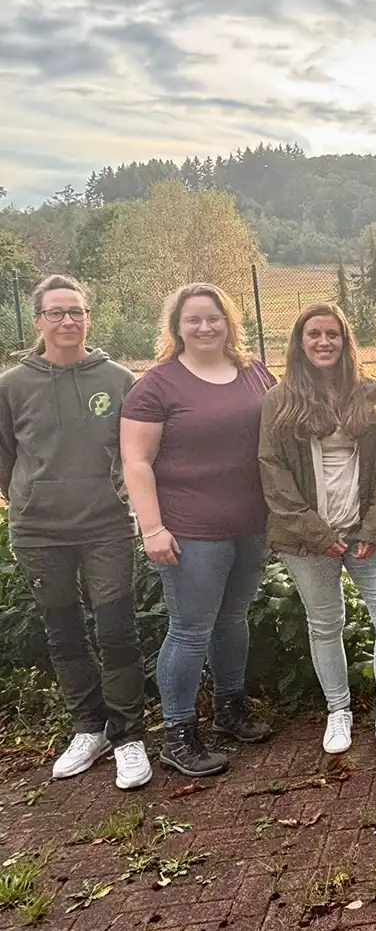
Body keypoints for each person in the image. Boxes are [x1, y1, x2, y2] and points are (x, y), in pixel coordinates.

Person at [0, 276, 150, 789]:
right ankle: (89, 729)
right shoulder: (11, 386)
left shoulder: (119, 380)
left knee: (116, 630)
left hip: (107, 525)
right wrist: (29, 496)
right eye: (57, 312)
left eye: (77, 312)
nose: (68, 321)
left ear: (88, 317)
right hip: (39, 532)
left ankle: (128, 736)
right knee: (63, 632)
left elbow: (136, 452)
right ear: (38, 320)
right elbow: (6, 457)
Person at [122, 284, 276, 778]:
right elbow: (136, 461)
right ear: (177, 327)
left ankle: (229, 708)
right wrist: (152, 528)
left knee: (232, 619)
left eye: (214, 317)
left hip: (251, 525)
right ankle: (178, 734)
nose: (206, 327)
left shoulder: (254, 372)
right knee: (190, 631)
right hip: (191, 531)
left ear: (229, 321)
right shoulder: (156, 385)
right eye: (194, 319)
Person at [258, 304, 376, 757]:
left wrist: (373, 527)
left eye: (332, 333)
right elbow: (273, 473)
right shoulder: (280, 400)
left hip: (364, 533)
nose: (323, 342)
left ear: (345, 340)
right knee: (326, 622)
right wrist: (317, 533)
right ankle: (339, 711)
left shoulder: (368, 393)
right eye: (314, 334)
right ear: (300, 341)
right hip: (305, 539)